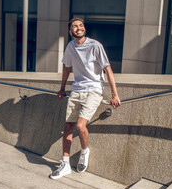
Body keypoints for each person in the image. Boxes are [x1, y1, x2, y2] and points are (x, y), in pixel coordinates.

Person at [50, 18, 121, 180]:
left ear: (84, 29)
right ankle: (65, 163)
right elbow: (67, 68)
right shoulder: (70, 46)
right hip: (76, 90)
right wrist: (62, 88)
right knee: (68, 126)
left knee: (81, 126)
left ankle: (84, 151)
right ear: (70, 31)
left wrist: (114, 95)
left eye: (81, 25)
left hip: (94, 90)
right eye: (75, 26)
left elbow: (108, 70)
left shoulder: (95, 46)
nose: (79, 28)